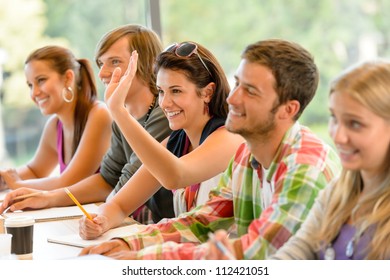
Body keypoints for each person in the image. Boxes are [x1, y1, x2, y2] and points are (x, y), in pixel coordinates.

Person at [79, 39, 341, 260]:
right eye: (237, 83)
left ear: (289, 109)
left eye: (249, 91)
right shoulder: (246, 156)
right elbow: (202, 222)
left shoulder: (305, 164)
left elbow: (258, 252)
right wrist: (129, 245)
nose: (232, 97)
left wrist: (142, 258)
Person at [0, 24, 173, 224]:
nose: (102, 74)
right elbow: (107, 179)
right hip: (142, 222)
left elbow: (126, 182)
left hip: (164, 226)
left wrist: (48, 195)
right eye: (101, 64)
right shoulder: (121, 119)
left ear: (149, 64)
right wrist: (48, 198)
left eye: (115, 62)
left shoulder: (164, 115)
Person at [78, 42, 244, 239]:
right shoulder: (176, 142)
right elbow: (120, 205)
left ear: (207, 92)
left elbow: (175, 176)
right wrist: (100, 220)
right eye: (161, 91)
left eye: (176, 91)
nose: (164, 103)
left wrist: (120, 112)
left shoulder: (229, 137)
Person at [266, 60, 390, 260]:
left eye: (355, 124)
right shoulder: (336, 193)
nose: (338, 136)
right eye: (334, 118)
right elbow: (295, 254)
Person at [0, 46, 112, 191]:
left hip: (118, 213)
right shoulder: (55, 125)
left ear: (68, 78)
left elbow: (69, 182)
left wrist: (17, 184)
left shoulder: (99, 114)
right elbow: (35, 171)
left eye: (41, 80)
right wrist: (4, 180)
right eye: (30, 85)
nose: (34, 93)